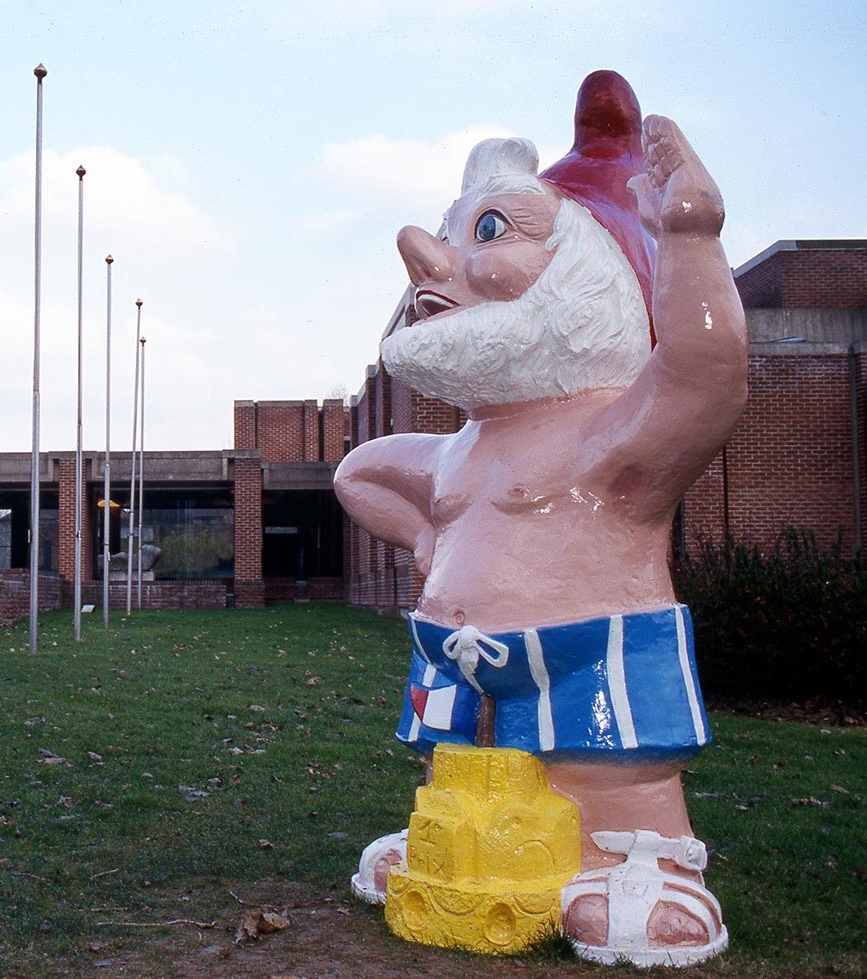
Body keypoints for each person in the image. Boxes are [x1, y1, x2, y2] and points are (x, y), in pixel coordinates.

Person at [335, 70, 746, 967]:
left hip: (590, 652)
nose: (423, 254)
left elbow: (705, 372)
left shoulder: (610, 428)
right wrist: (425, 533)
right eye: (447, 230)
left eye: (486, 231)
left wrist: (688, 240)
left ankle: (647, 864)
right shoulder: (456, 447)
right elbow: (359, 470)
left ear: (592, 273)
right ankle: (461, 842)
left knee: (611, 766)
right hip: (464, 662)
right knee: (471, 760)